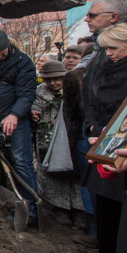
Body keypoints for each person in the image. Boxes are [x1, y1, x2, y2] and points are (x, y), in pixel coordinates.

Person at [81, 0, 127, 253]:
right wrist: (92, 125)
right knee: (105, 206)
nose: (110, 54)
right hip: (100, 136)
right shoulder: (102, 56)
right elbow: (91, 95)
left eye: (92, 14)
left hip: (126, 143)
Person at [0, 28, 39, 227]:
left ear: (9, 46)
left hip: (16, 119)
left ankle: (32, 211)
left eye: (3, 53)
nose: (0, 57)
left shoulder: (22, 61)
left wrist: (15, 115)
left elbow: (27, 93)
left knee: (21, 163)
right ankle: (16, 202)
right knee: (5, 164)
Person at [31, 60, 84, 227]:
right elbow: (34, 106)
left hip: (69, 136)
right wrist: (34, 113)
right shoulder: (40, 92)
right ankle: (60, 207)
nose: (52, 83)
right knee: (52, 173)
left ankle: (78, 210)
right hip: (47, 138)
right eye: (48, 79)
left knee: (73, 173)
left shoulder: (75, 89)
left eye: (56, 79)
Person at [63, 43, 97, 246]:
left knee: (89, 181)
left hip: (85, 135)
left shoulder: (78, 76)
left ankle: (93, 228)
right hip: (96, 133)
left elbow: (71, 113)